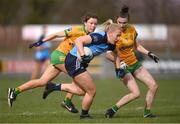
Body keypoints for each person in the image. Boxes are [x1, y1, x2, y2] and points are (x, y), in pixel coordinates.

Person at [7, 13, 98, 113]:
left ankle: (14, 91)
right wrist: (41, 42)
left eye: (95, 24)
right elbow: (56, 34)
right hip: (60, 56)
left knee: (42, 81)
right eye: (91, 23)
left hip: (64, 59)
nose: (93, 26)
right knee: (79, 77)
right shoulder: (77, 30)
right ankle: (66, 100)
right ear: (85, 23)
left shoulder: (91, 37)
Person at [42, 21, 122, 118]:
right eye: (118, 35)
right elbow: (79, 40)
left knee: (82, 91)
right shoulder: (99, 37)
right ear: (110, 33)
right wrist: (83, 55)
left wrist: (118, 69)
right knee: (91, 91)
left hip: (78, 61)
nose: (119, 38)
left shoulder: (111, 44)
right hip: (74, 59)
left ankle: (53, 87)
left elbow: (116, 55)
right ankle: (84, 114)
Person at [105, 5, 159, 118]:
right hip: (123, 67)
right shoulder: (112, 32)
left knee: (154, 86)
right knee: (136, 94)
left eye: (124, 23)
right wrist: (120, 65)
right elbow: (108, 55)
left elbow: (137, 46)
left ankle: (147, 113)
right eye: (119, 22)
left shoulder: (132, 29)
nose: (122, 25)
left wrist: (149, 53)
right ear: (116, 20)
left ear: (128, 21)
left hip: (135, 63)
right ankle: (112, 110)